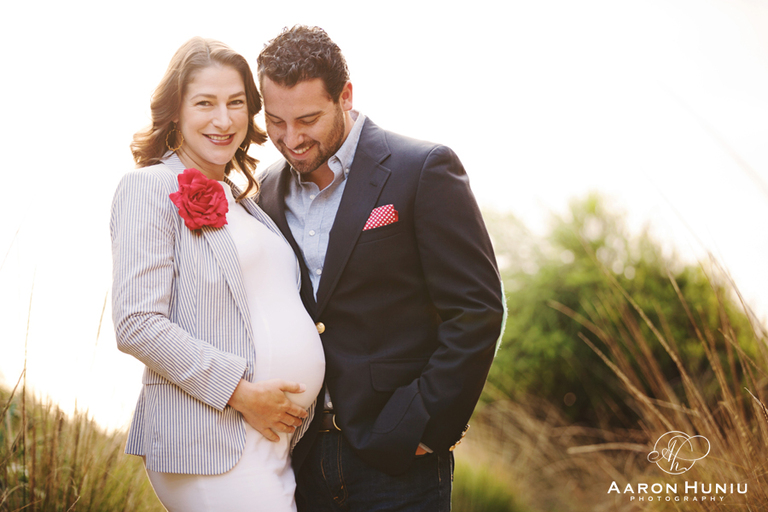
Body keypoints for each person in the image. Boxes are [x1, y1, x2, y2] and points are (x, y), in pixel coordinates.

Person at [256, 25, 506, 511]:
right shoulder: (265, 190)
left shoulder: (424, 168)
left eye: (308, 119)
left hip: (397, 462)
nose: (291, 138)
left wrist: (426, 427)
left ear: (345, 96)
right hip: (300, 464)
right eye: (275, 121)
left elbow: (477, 310)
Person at [110, 37, 325, 512]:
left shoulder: (245, 200)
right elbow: (136, 323)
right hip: (209, 441)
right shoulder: (149, 187)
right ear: (175, 110)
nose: (224, 120)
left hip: (271, 442)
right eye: (205, 103)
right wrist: (241, 393)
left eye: (236, 103)